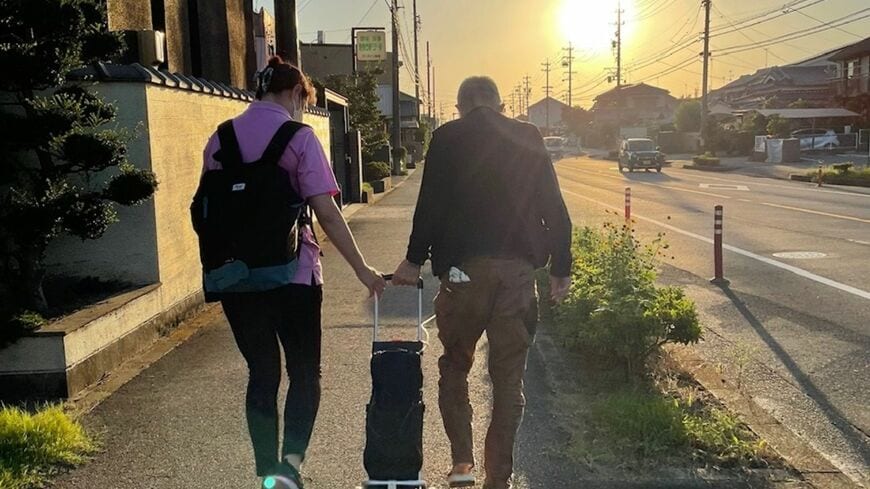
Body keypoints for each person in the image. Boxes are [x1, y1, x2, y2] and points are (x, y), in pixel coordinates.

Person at [200, 56, 386, 489]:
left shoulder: (220, 138)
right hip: (294, 277)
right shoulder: (299, 137)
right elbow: (327, 212)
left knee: (262, 374)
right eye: (304, 100)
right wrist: (362, 269)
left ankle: (267, 471)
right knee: (304, 374)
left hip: (236, 279)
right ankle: (290, 467)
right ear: (297, 94)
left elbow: (209, 210)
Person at [392, 76, 573, 489]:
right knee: (508, 380)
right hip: (517, 275)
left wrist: (413, 261)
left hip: (462, 274)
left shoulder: (447, 137)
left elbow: (430, 205)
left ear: (460, 106)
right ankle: (498, 480)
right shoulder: (528, 135)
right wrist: (561, 269)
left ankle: (463, 467)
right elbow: (554, 207)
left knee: (456, 367)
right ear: (500, 104)